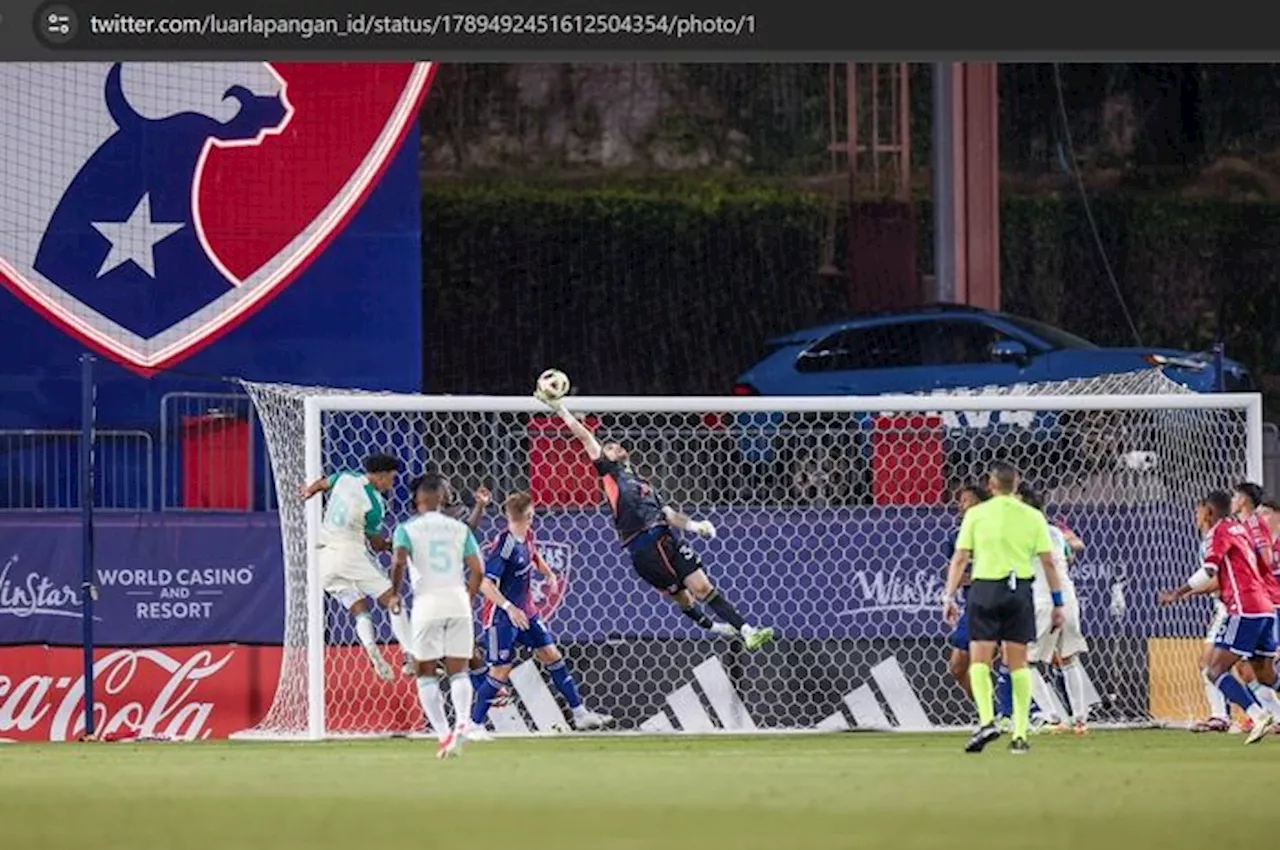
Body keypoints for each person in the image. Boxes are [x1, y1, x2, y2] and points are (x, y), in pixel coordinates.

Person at [535, 390, 773, 650]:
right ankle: (713, 627)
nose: (609, 447)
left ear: (624, 452)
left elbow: (669, 514)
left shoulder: (645, 485)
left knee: (702, 587)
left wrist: (696, 526)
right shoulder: (609, 474)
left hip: (665, 537)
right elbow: (584, 436)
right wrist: (560, 409)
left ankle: (748, 630)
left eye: (613, 445)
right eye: (607, 447)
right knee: (683, 598)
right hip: (643, 550)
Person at [942, 461, 1064, 754]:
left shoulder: (977, 515)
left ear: (990, 485)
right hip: (1019, 590)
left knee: (980, 661)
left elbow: (960, 558)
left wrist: (948, 597)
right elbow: (1049, 562)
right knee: (1018, 663)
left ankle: (987, 721)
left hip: (985, 589)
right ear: (1016, 483)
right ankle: (1020, 736)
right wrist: (1058, 603)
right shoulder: (1033, 516)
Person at [471, 491, 613, 731]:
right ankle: (472, 725)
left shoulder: (526, 534)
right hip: (502, 618)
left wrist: (548, 573)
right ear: (529, 515)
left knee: (552, 655)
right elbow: (485, 584)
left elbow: (534, 554)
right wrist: (509, 608)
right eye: (532, 514)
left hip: (527, 613)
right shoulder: (504, 545)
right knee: (500, 671)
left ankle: (579, 714)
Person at [1159, 491, 1280, 744]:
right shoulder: (1240, 529)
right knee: (1266, 676)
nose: (1195, 515)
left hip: (1243, 608)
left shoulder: (1219, 532)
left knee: (1214, 670)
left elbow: (1209, 570)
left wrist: (1177, 593)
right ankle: (1263, 715)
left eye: (1197, 510)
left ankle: (1258, 716)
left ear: (1208, 511)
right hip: (1265, 606)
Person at [390, 473, 495, 758]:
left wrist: (394, 592)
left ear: (419, 499)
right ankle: (463, 722)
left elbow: (398, 561)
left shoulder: (406, 529)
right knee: (458, 668)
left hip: (427, 604)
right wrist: (468, 595)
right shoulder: (458, 529)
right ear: (441, 498)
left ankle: (443, 734)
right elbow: (478, 570)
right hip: (458, 602)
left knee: (425, 672)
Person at [299, 453, 413, 682]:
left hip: (322, 558)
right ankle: (410, 655)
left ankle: (371, 646)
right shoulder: (374, 504)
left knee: (358, 606)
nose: (391, 483)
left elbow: (323, 483)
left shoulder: (345, 477)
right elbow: (376, 543)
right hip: (349, 553)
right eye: (391, 478)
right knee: (393, 600)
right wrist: (394, 546)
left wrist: (308, 491)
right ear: (380, 477)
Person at [1017, 483, 1091, 734]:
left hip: (1044, 599)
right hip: (1068, 597)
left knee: (1023, 661)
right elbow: (1069, 555)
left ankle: (1052, 717)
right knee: (1069, 658)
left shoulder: (1025, 531)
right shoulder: (1055, 532)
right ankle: (1080, 720)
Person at [945, 485, 991, 698]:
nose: (961, 505)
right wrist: (949, 595)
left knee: (990, 665)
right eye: (960, 501)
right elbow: (953, 569)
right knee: (957, 667)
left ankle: (1013, 713)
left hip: (999, 602)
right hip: (974, 607)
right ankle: (990, 711)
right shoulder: (955, 537)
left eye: (966, 500)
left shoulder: (996, 533)